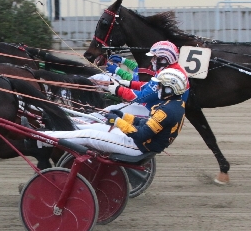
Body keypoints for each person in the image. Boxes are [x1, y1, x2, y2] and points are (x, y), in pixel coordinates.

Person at [40, 68, 188, 156]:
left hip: (137, 147)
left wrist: (118, 122)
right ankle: (53, 130)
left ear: (170, 89)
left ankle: (42, 138)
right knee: (96, 127)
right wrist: (123, 116)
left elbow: (142, 134)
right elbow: (145, 124)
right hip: (141, 143)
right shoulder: (175, 104)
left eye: (161, 86)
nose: (158, 89)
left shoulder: (166, 110)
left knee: (90, 136)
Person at [108, 41, 190, 108]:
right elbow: (150, 86)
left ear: (163, 60)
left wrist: (118, 90)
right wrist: (130, 84)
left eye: (154, 57)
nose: (151, 60)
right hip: (161, 108)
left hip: (157, 113)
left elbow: (142, 97)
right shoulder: (170, 70)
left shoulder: (167, 76)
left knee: (111, 109)